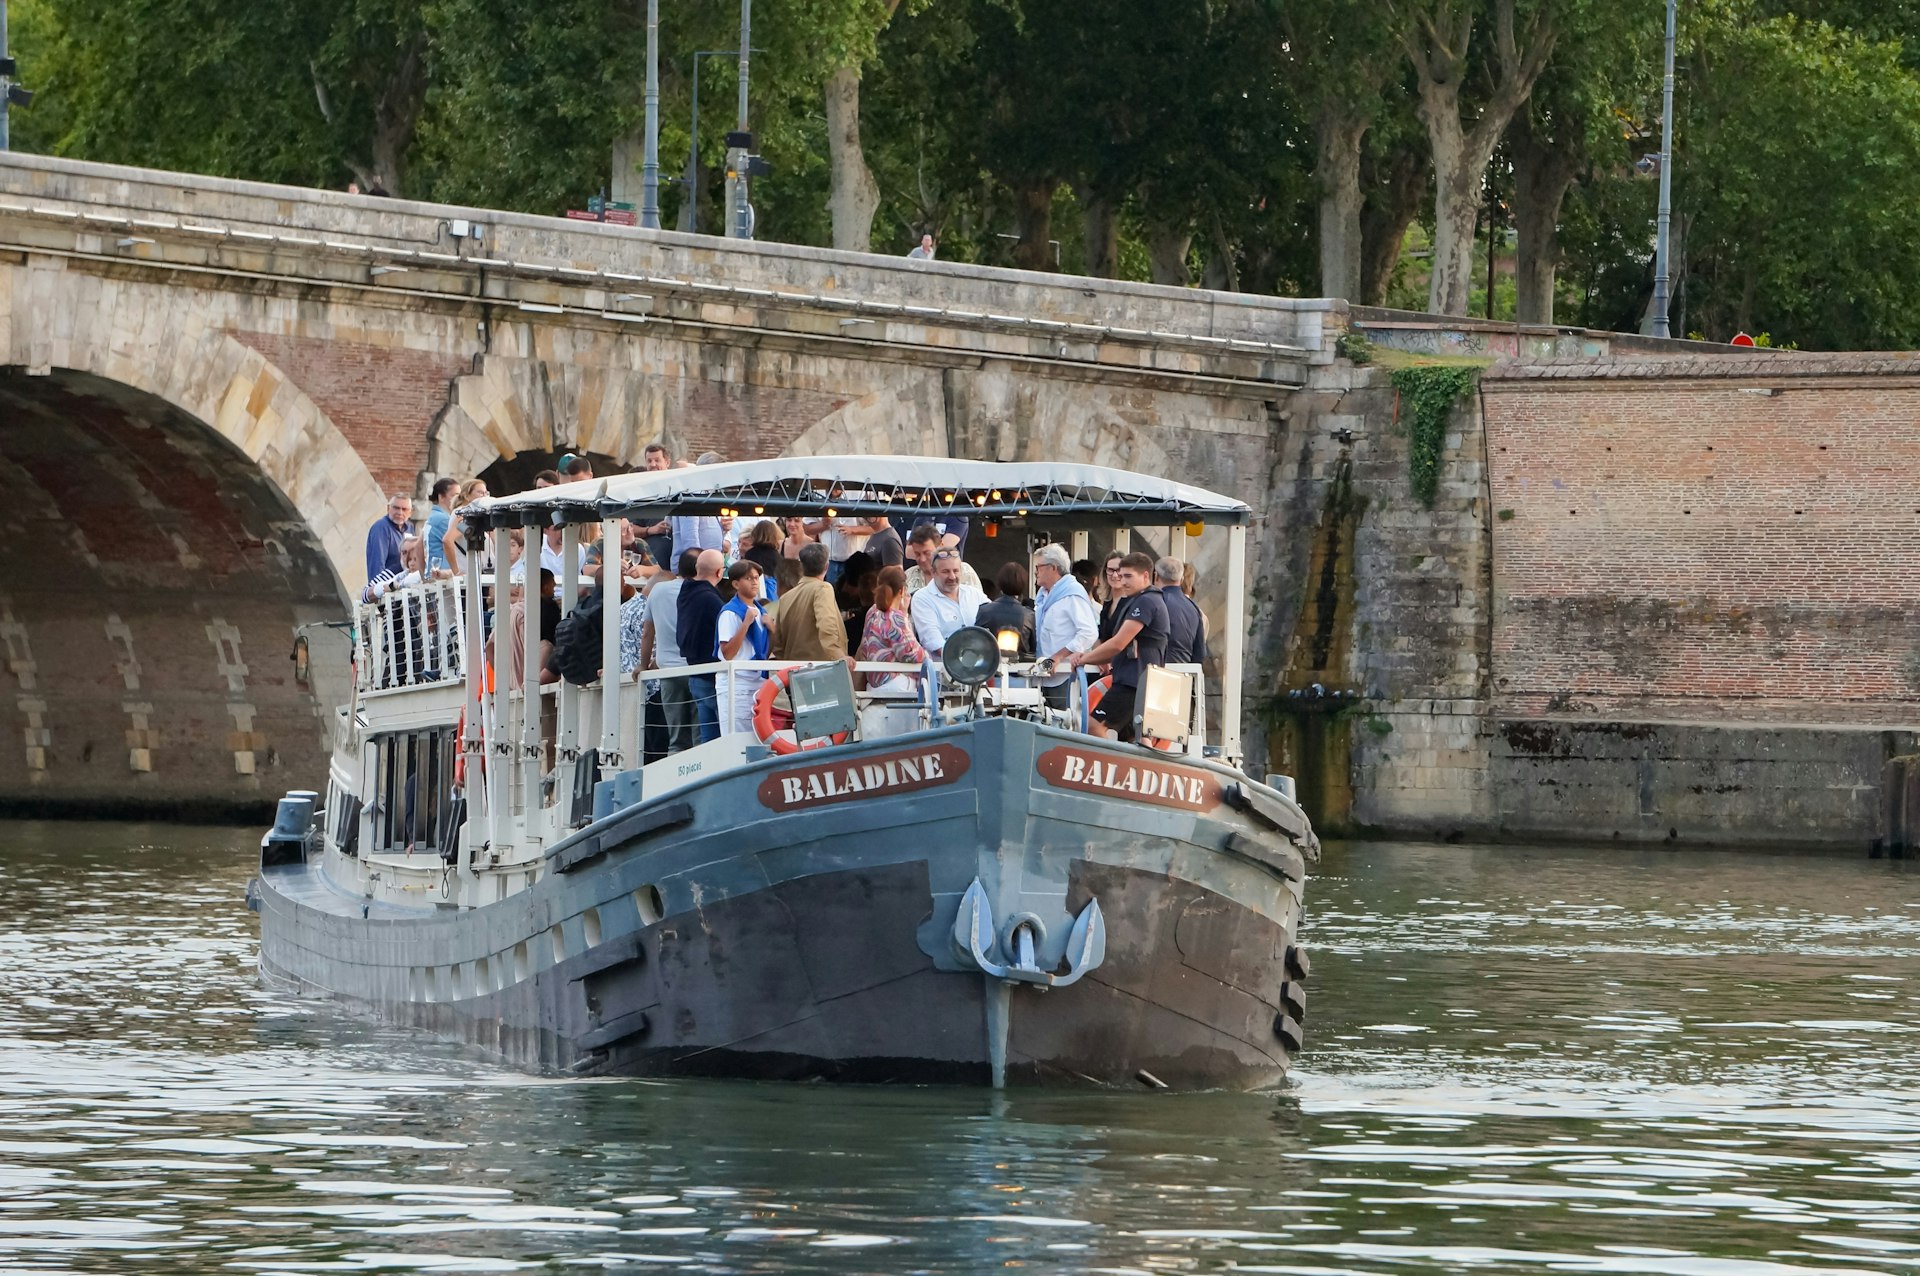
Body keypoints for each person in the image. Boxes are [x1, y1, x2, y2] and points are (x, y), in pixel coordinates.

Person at [1065, 552, 1168, 742]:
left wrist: (1084, 658)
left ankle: (1103, 769)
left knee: (1093, 725)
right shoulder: (1141, 600)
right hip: (1141, 679)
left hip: (1134, 681)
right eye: (1121, 576)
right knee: (1134, 737)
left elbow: (1118, 642)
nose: (1123, 581)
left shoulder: (1146, 601)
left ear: (1146, 575)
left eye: (1129, 576)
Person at [642, 549, 697, 752]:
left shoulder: (658, 591)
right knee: (699, 737)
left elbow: (647, 633)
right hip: (697, 671)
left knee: (676, 740)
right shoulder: (703, 590)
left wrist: (643, 664)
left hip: (669, 673)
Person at [1032, 544, 1097, 708]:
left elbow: (1089, 632)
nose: (1035, 571)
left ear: (1052, 568)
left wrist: (1058, 656)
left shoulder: (1072, 593)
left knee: (1062, 726)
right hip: (1043, 676)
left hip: (1064, 676)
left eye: (1038, 567)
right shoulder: (1043, 595)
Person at [676, 549, 727, 744]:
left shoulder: (686, 592)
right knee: (722, 735)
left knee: (708, 737)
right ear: (719, 573)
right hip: (711, 675)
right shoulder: (711, 600)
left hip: (695, 672)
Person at [715, 560, 770, 735]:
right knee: (737, 737)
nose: (754, 582)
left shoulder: (762, 611)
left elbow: (766, 650)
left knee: (759, 737)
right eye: (748, 578)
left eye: (756, 577)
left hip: (759, 681)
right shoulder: (730, 612)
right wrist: (745, 623)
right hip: (736, 683)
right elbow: (728, 653)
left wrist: (773, 629)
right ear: (736, 584)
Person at [770, 543, 847, 663]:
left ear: (801, 566)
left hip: (793, 671)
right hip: (821, 670)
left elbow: (778, 645)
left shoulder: (786, 598)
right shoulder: (822, 588)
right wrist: (839, 655)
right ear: (826, 566)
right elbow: (827, 625)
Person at [856, 566, 927, 693]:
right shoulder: (895, 618)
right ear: (902, 591)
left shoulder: (872, 612)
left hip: (874, 684)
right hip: (894, 684)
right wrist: (904, 615)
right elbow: (913, 655)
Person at [910, 548, 987, 657]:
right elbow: (932, 639)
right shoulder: (922, 598)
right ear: (933, 572)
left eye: (955, 571)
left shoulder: (974, 594)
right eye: (945, 571)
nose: (952, 577)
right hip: (942, 670)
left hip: (981, 665)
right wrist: (960, 661)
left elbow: (993, 619)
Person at [1155, 556, 1208, 666]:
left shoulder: (1154, 600)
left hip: (1155, 671)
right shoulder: (1194, 609)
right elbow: (1199, 654)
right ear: (1181, 580)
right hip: (1182, 674)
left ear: (1156, 576)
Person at [974, 563, 1035, 657]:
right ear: (1023, 584)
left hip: (990, 667)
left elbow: (976, 645)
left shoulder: (984, 610)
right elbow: (1034, 649)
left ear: (999, 583)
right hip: (1023, 668)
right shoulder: (1029, 615)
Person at [904, 524, 982, 594]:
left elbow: (980, 605)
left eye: (927, 553)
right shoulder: (908, 576)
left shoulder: (965, 571)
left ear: (940, 546)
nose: (922, 559)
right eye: (917, 554)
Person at [637, 443, 675, 567]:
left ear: (667, 462)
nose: (653, 464)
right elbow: (629, 529)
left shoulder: (680, 490)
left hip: (677, 560)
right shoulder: (639, 494)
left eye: (657, 460)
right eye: (649, 461)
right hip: (651, 561)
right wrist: (651, 530)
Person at [443, 478, 489, 574]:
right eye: (480, 493)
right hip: (470, 575)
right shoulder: (464, 513)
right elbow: (447, 540)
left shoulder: (478, 514)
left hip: (481, 574)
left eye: (486, 493)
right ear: (466, 496)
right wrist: (456, 572)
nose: (484, 496)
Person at [365, 493, 412, 585]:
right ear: (388, 508)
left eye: (404, 509)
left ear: (410, 512)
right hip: (387, 587)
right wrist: (378, 590)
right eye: (396, 508)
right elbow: (377, 563)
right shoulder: (381, 528)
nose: (400, 512)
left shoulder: (410, 527)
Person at [423, 477, 459, 574]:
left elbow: (418, 548)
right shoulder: (443, 519)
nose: (458, 499)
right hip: (442, 574)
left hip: (434, 572)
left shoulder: (432, 517)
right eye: (455, 495)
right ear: (441, 497)